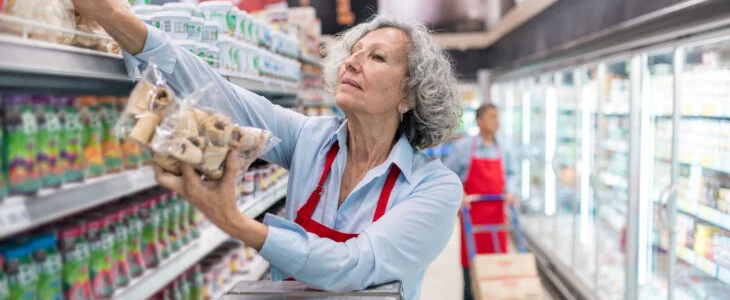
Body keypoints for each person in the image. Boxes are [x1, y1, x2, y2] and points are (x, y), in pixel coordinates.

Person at [72, 1, 463, 299]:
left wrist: (236, 222)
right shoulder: (311, 139)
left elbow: (355, 266)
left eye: (376, 57)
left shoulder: (434, 188)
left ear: (410, 95)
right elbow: (220, 94)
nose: (352, 63)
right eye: (353, 52)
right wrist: (113, 17)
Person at [444, 103, 517, 300]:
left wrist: (510, 192)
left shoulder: (505, 148)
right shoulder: (464, 147)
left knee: (496, 265)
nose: (497, 122)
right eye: (492, 117)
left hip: (497, 216)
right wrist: (459, 195)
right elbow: (447, 175)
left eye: (498, 117)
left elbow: (511, 174)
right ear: (480, 121)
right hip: (472, 216)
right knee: (472, 266)